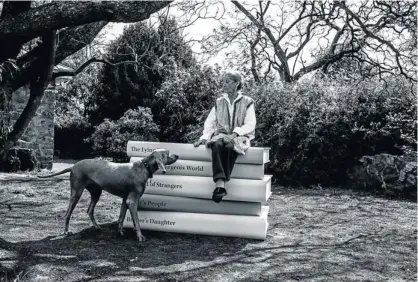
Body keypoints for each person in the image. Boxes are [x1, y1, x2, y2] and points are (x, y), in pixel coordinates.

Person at [193, 70, 256, 203]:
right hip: (221, 135)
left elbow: (250, 124)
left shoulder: (248, 101)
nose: (224, 85)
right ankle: (220, 185)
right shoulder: (219, 102)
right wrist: (204, 137)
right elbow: (210, 122)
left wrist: (234, 134)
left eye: (227, 82)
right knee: (217, 144)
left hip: (240, 135)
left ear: (236, 83)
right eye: (224, 82)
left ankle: (220, 186)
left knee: (229, 147)